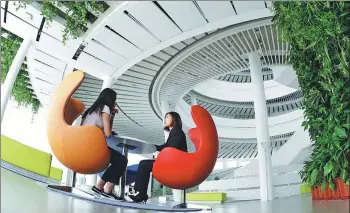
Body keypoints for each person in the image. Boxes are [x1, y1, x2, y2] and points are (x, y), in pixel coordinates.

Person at [128, 112, 187, 203]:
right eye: (165, 117)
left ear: (175, 119)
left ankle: (141, 194)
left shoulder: (177, 131)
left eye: (167, 117)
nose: (165, 119)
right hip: (174, 162)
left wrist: (159, 155)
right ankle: (141, 193)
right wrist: (154, 147)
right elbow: (167, 146)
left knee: (144, 164)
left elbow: (171, 148)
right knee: (144, 164)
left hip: (176, 164)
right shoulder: (174, 131)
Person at [81, 88, 127, 200]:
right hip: (92, 148)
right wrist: (111, 114)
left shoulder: (92, 110)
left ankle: (99, 187)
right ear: (111, 99)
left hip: (82, 146)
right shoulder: (105, 108)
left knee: (117, 159)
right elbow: (108, 134)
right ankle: (106, 189)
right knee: (122, 160)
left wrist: (111, 114)